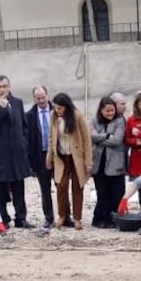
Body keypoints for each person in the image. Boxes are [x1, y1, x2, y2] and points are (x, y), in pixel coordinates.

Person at [0, 75, 33, 228]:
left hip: (17, 153)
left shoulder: (17, 102)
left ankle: (21, 218)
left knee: (19, 187)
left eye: (4, 86)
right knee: (0, 190)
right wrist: (1, 109)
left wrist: (23, 143)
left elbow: (24, 126)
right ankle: (3, 218)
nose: (2, 89)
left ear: (9, 86)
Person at [45, 92, 92, 230]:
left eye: (60, 108)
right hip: (61, 156)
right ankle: (61, 215)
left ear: (66, 107)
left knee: (78, 187)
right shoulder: (53, 117)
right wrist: (49, 157)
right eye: (55, 108)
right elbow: (51, 139)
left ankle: (77, 218)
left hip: (76, 156)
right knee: (61, 186)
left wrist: (88, 161)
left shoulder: (77, 116)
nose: (57, 111)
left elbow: (87, 140)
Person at [25, 85, 59, 228]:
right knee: (45, 189)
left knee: (61, 186)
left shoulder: (58, 111)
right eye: (38, 98)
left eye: (43, 97)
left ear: (47, 95)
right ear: (34, 98)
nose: (41, 100)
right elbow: (27, 139)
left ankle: (65, 216)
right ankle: (49, 217)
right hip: (40, 156)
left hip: (58, 155)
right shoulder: (29, 116)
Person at [90, 96, 126, 229]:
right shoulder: (94, 120)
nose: (110, 113)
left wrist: (99, 138)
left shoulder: (120, 120)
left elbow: (117, 140)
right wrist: (106, 136)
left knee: (116, 192)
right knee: (102, 193)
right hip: (99, 163)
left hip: (115, 162)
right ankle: (99, 219)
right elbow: (91, 135)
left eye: (112, 110)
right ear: (101, 111)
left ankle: (113, 219)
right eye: (107, 111)